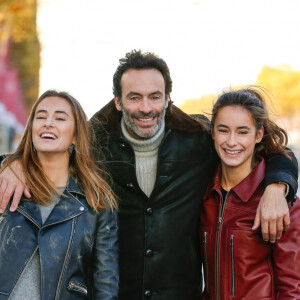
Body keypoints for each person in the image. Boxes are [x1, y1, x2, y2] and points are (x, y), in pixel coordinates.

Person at [0, 51, 298, 300]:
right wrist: (15, 163)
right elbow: (49, 147)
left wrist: (277, 185)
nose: (146, 108)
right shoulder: (94, 145)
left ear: (168, 98)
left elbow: (263, 149)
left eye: (155, 97)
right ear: (117, 101)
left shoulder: (200, 141)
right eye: (134, 97)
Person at [0, 90, 119, 299]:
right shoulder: (6, 182)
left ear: (75, 136)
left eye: (60, 118)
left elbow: (105, 284)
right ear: (32, 129)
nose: (48, 122)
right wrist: (7, 163)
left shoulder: (97, 202)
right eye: (41, 116)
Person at [200, 88, 300, 300]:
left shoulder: (281, 203)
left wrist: (276, 188)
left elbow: (293, 288)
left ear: (259, 135)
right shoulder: (204, 194)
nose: (232, 142)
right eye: (223, 130)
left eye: (243, 132)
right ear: (213, 133)